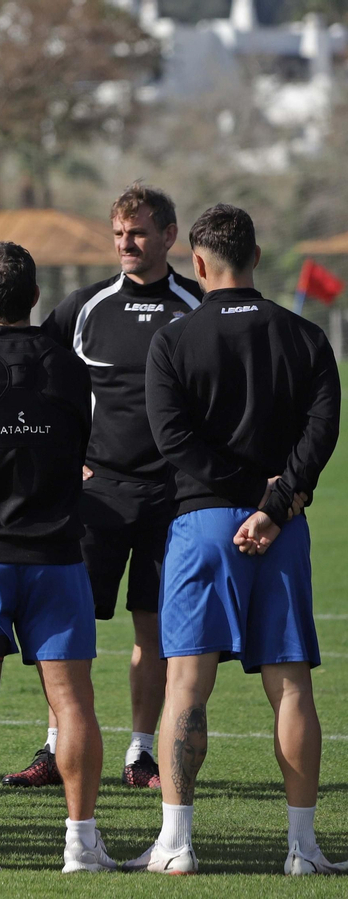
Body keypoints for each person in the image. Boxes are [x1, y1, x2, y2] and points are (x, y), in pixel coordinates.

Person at [132, 204, 341, 876]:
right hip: (281, 528)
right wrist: (273, 504)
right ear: (256, 255)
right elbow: (323, 430)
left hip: (204, 525)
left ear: (197, 262)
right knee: (292, 688)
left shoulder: (172, 339)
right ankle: (303, 851)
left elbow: (173, 442)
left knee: (186, 686)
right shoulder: (306, 336)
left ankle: (177, 844)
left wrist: (240, 499)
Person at [8, 183, 202, 790]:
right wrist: (71, 461)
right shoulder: (86, 307)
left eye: (138, 233)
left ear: (169, 236)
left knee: (154, 631)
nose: (126, 243)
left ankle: (140, 753)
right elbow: (37, 378)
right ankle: (55, 745)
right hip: (96, 496)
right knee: (67, 628)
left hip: (172, 498)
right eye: (119, 233)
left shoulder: (196, 307)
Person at [0, 241, 112, 873]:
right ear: (35, 298)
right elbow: (81, 449)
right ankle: (81, 845)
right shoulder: (72, 370)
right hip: (57, 557)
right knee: (73, 704)